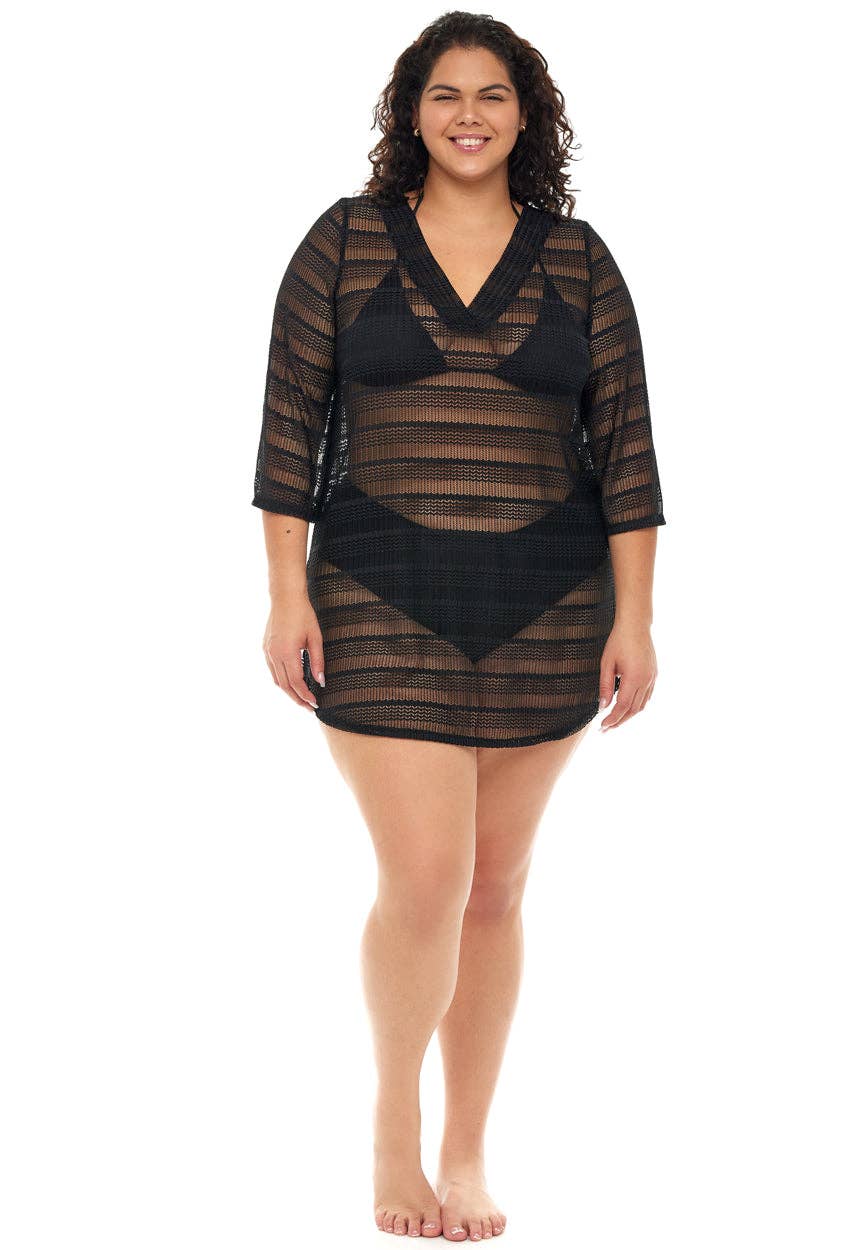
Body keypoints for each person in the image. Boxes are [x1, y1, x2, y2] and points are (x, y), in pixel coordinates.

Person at [252, 12, 666, 1241]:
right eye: (445, 94)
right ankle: (394, 1122)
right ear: (412, 112)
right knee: (427, 873)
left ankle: (467, 1149)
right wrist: (284, 591)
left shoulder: (579, 259)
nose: (468, 115)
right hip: (376, 596)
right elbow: (288, 427)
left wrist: (636, 618)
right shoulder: (344, 240)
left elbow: (627, 452)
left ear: (525, 114)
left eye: (492, 94)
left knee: (493, 886)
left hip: (549, 605)